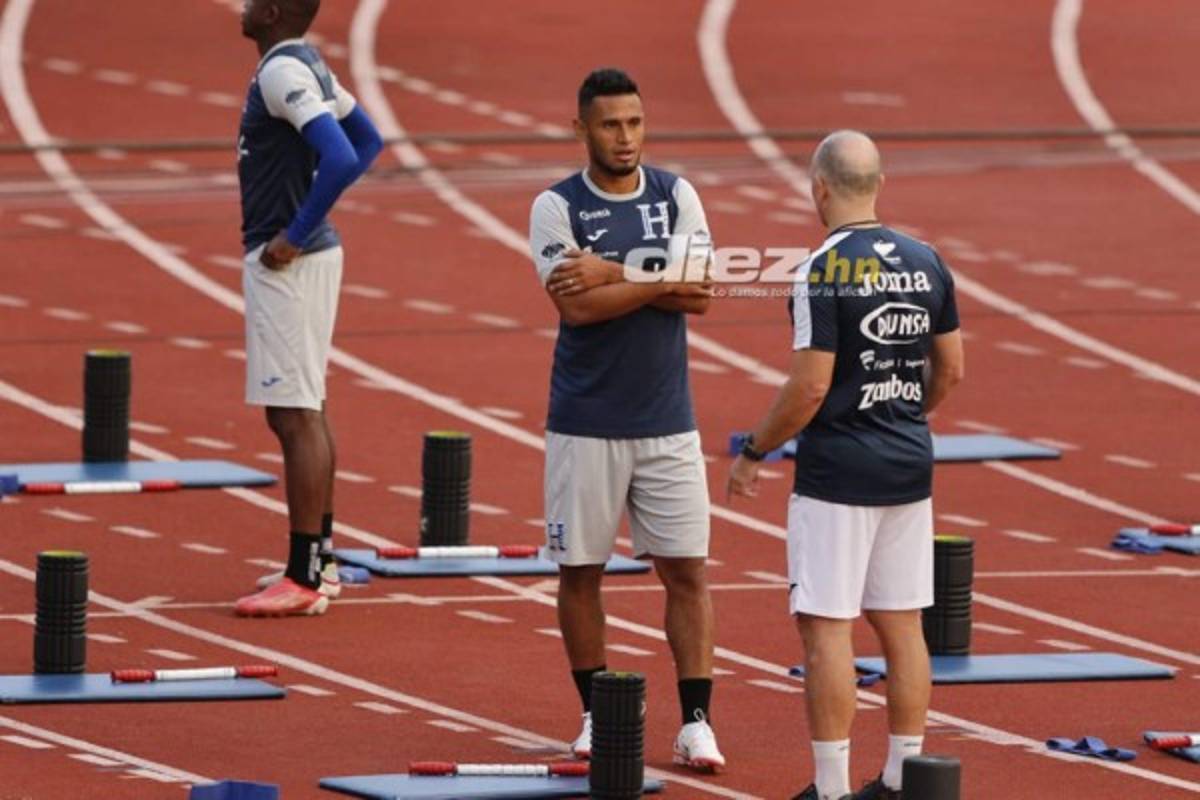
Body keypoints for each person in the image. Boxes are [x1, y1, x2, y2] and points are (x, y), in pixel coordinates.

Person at [727, 130, 964, 800]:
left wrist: (753, 451)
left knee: (827, 626)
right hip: (908, 468)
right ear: (879, 183)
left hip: (837, 476)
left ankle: (830, 790)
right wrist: (907, 415)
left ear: (819, 188)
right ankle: (901, 778)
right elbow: (951, 370)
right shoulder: (928, 261)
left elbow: (808, 387)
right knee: (903, 622)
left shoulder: (820, 270)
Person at [527, 68, 726, 772]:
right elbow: (575, 307)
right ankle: (593, 713)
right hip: (584, 423)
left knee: (687, 573)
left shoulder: (677, 195)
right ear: (581, 128)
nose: (627, 137)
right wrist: (659, 279)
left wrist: (611, 271)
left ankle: (696, 722)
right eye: (611, 125)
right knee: (581, 573)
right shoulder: (554, 206)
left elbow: (702, 295)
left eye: (636, 123)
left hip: (668, 422)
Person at [232, 0, 382, 617]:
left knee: (295, 415)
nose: (241, 6)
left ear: (271, 11)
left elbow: (348, 154)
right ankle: (318, 562)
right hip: (308, 258)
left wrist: (294, 232)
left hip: (290, 262)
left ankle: (305, 576)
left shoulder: (282, 73)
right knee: (304, 409)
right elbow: (369, 139)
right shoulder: (307, 65)